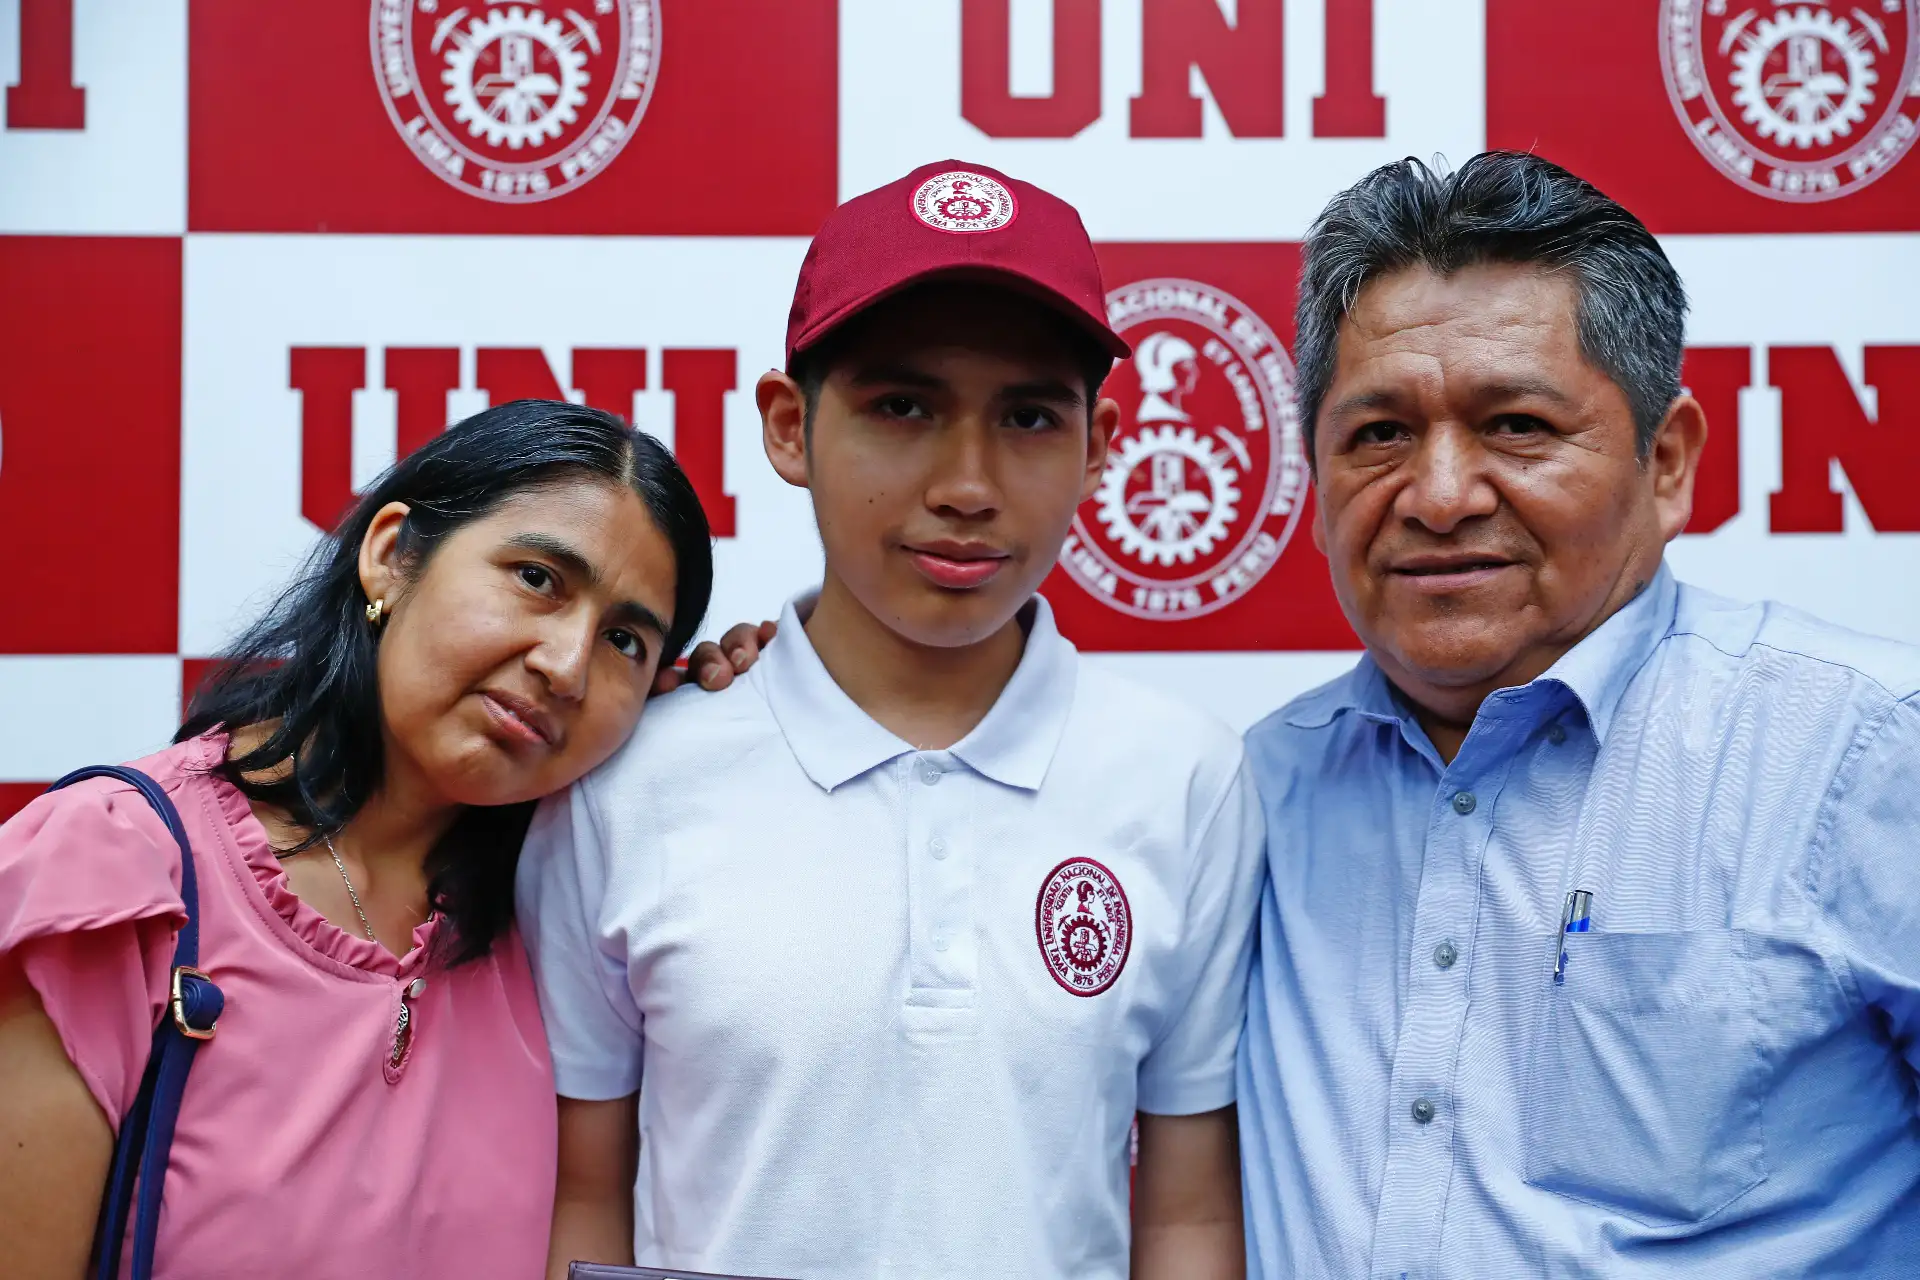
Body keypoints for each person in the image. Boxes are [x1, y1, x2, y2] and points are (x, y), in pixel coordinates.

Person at [517, 160, 1265, 1280]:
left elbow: (1190, 1213)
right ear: (787, 426)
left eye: (1027, 416)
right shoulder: (629, 780)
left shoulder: (1184, 776)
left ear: (1102, 443)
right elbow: (586, 1192)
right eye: (902, 407)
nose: (966, 482)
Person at [1235, 151, 1920, 1275]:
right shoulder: (1252, 796)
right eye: (1378, 435)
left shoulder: (1861, 748)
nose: (1441, 494)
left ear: (1666, 462)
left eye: (1515, 425)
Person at [0, 399, 753, 1278]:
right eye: (538, 579)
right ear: (392, 554)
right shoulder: (116, 868)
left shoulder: (562, 911)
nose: (568, 664)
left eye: (625, 640)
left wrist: (745, 714)